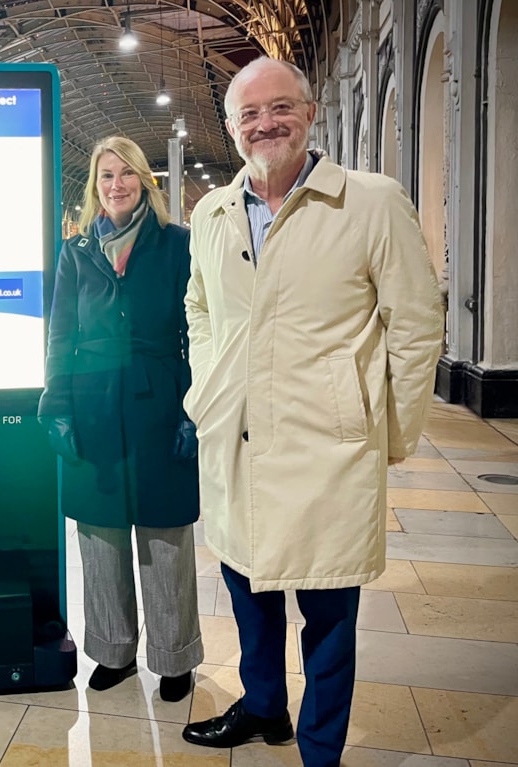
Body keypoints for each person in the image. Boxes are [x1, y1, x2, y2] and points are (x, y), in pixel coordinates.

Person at [180, 57, 444, 767]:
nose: (265, 123)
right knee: (247, 588)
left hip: (327, 443)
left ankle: (321, 746)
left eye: (280, 108)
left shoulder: (370, 200)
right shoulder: (213, 211)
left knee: (328, 615)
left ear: (311, 111)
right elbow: (198, 305)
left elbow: (416, 324)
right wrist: (207, 384)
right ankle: (264, 706)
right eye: (249, 114)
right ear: (234, 128)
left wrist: (388, 428)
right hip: (235, 435)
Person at [38, 136, 202, 703]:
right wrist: (55, 404)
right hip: (93, 405)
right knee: (101, 536)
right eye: (106, 175)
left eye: (126, 173)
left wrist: (193, 410)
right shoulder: (76, 251)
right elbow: (60, 334)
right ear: (94, 187)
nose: (116, 185)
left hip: (161, 402)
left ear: (144, 181)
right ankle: (113, 651)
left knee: (165, 536)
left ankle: (175, 657)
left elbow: (199, 331)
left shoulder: (178, 245)